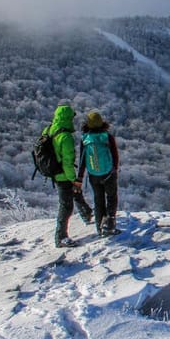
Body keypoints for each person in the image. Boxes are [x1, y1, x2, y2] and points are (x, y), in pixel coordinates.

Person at [44, 102, 81, 248]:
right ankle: (61, 237)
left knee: (71, 199)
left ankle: (88, 215)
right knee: (66, 206)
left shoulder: (48, 130)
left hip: (53, 172)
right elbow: (68, 161)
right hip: (63, 175)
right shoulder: (65, 137)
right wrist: (74, 179)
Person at [78, 109, 120, 237]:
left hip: (93, 174)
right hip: (108, 173)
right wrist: (114, 168)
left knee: (98, 199)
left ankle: (99, 227)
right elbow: (115, 155)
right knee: (111, 197)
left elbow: (82, 159)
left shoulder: (85, 139)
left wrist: (80, 176)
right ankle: (109, 225)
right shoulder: (107, 137)